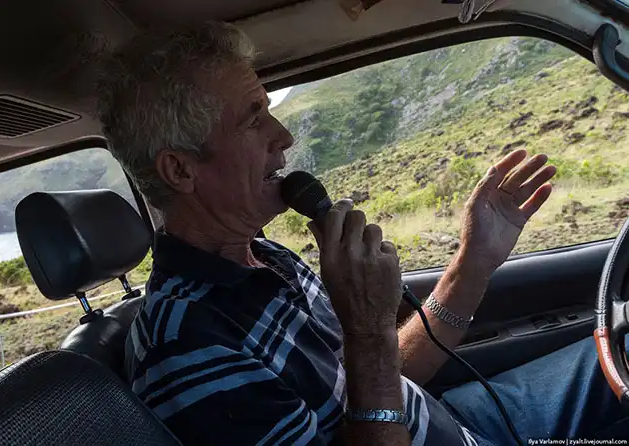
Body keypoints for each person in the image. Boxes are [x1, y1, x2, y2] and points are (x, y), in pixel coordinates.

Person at [97, 22, 629, 445]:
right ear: (181, 170)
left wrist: (475, 260)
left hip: (459, 419)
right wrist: (368, 330)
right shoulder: (185, 348)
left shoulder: (266, 257)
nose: (284, 137)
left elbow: (385, 379)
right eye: (253, 119)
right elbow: (373, 370)